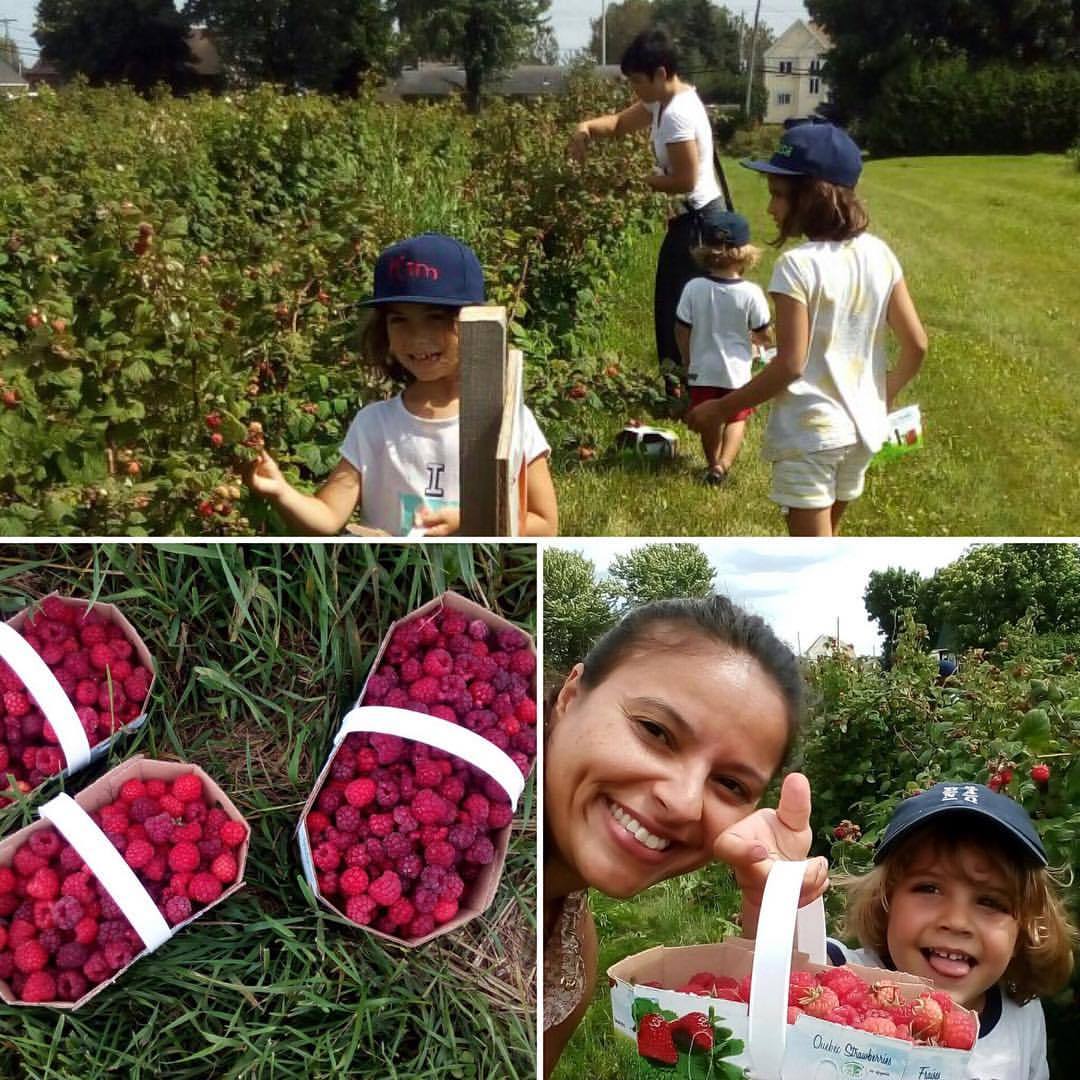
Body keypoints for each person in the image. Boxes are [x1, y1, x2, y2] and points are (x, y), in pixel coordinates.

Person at [543, 595, 830, 1078]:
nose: (683, 802)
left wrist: (771, 911)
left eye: (731, 784)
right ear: (570, 697)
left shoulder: (570, 951)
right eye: (655, 731)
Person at [686, 121, 929, 537]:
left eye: (779, 195)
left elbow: (790, 365)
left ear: (813, 196)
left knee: (809, 550)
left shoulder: (797, 265)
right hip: (862, 434)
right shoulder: (880, 254)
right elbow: (917, 346)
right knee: (825, 542)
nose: (770, 209)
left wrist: (721, 409)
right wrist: (882, 394)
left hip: (812, 434)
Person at [743, 782, 1074, 1079]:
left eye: (990, 902)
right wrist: (770, 890)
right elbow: (771, 974)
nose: (956, 921)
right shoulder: (844, 975)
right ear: (886, 901)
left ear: (1022, 930)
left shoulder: (1023, 1021)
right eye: (929, 889)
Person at [243, 233, 558, 537]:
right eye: (399, 320)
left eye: (435, 317)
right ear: (384, 330)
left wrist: (470, 522)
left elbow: (545, 523)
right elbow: (327, 518)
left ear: (475, 322)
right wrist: (280, 490)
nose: (417, 336)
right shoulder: (374, 424)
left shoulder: (507, 422)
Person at [568, 27, 724, 396]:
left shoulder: (677, 115)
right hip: (691, 218)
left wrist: (632, 180)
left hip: (698, 222)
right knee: (677, 304)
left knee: (678, 309)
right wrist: (586, 127)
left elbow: (685, 179)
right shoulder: (663, 102)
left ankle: (685, 391)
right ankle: (686, 388)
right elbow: (621, 124)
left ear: (661, 73)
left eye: (637, 81)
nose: (634, 90)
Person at [674, 207, 772, 485]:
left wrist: (686, 358)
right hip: (737, 371)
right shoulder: (751, 293)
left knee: (710, 419)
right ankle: (724, 465)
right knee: (736, 418)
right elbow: (764, 332)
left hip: (702, 368)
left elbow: (682, 328)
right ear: (746, 253)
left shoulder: (693, 287)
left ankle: (711, 461)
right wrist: (759, 345)